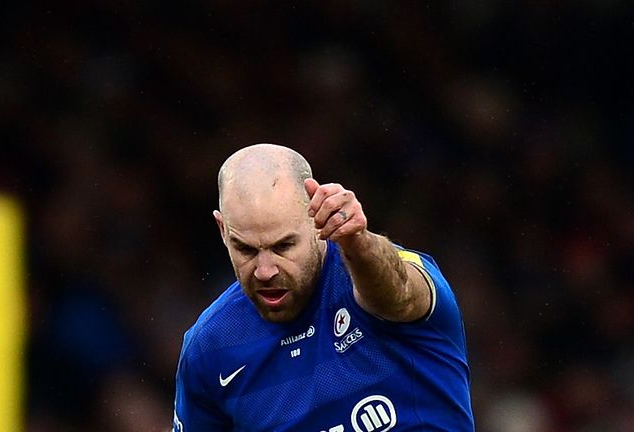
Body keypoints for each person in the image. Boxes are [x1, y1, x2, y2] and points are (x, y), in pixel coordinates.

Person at [173, 143, 474, 431]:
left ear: (315, 221)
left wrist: (358, 242)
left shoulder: (378, 280)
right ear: (223, 230)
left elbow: (402, 295)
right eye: (246, 249)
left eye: (284, 246)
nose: (265, 271)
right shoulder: (209, 348)